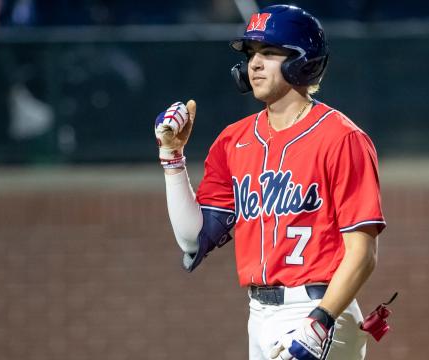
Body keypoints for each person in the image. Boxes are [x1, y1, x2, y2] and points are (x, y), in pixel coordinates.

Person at [154, 4, 386, 360]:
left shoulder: (342, 138)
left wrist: (321, 320)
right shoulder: (233, 140)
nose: (255, 63)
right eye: (251, 54)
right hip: (259, 315)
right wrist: (172, 158)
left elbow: (363, 253)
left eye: (270, 52)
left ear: (302, 61)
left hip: (318, 309)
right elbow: (191, 239)